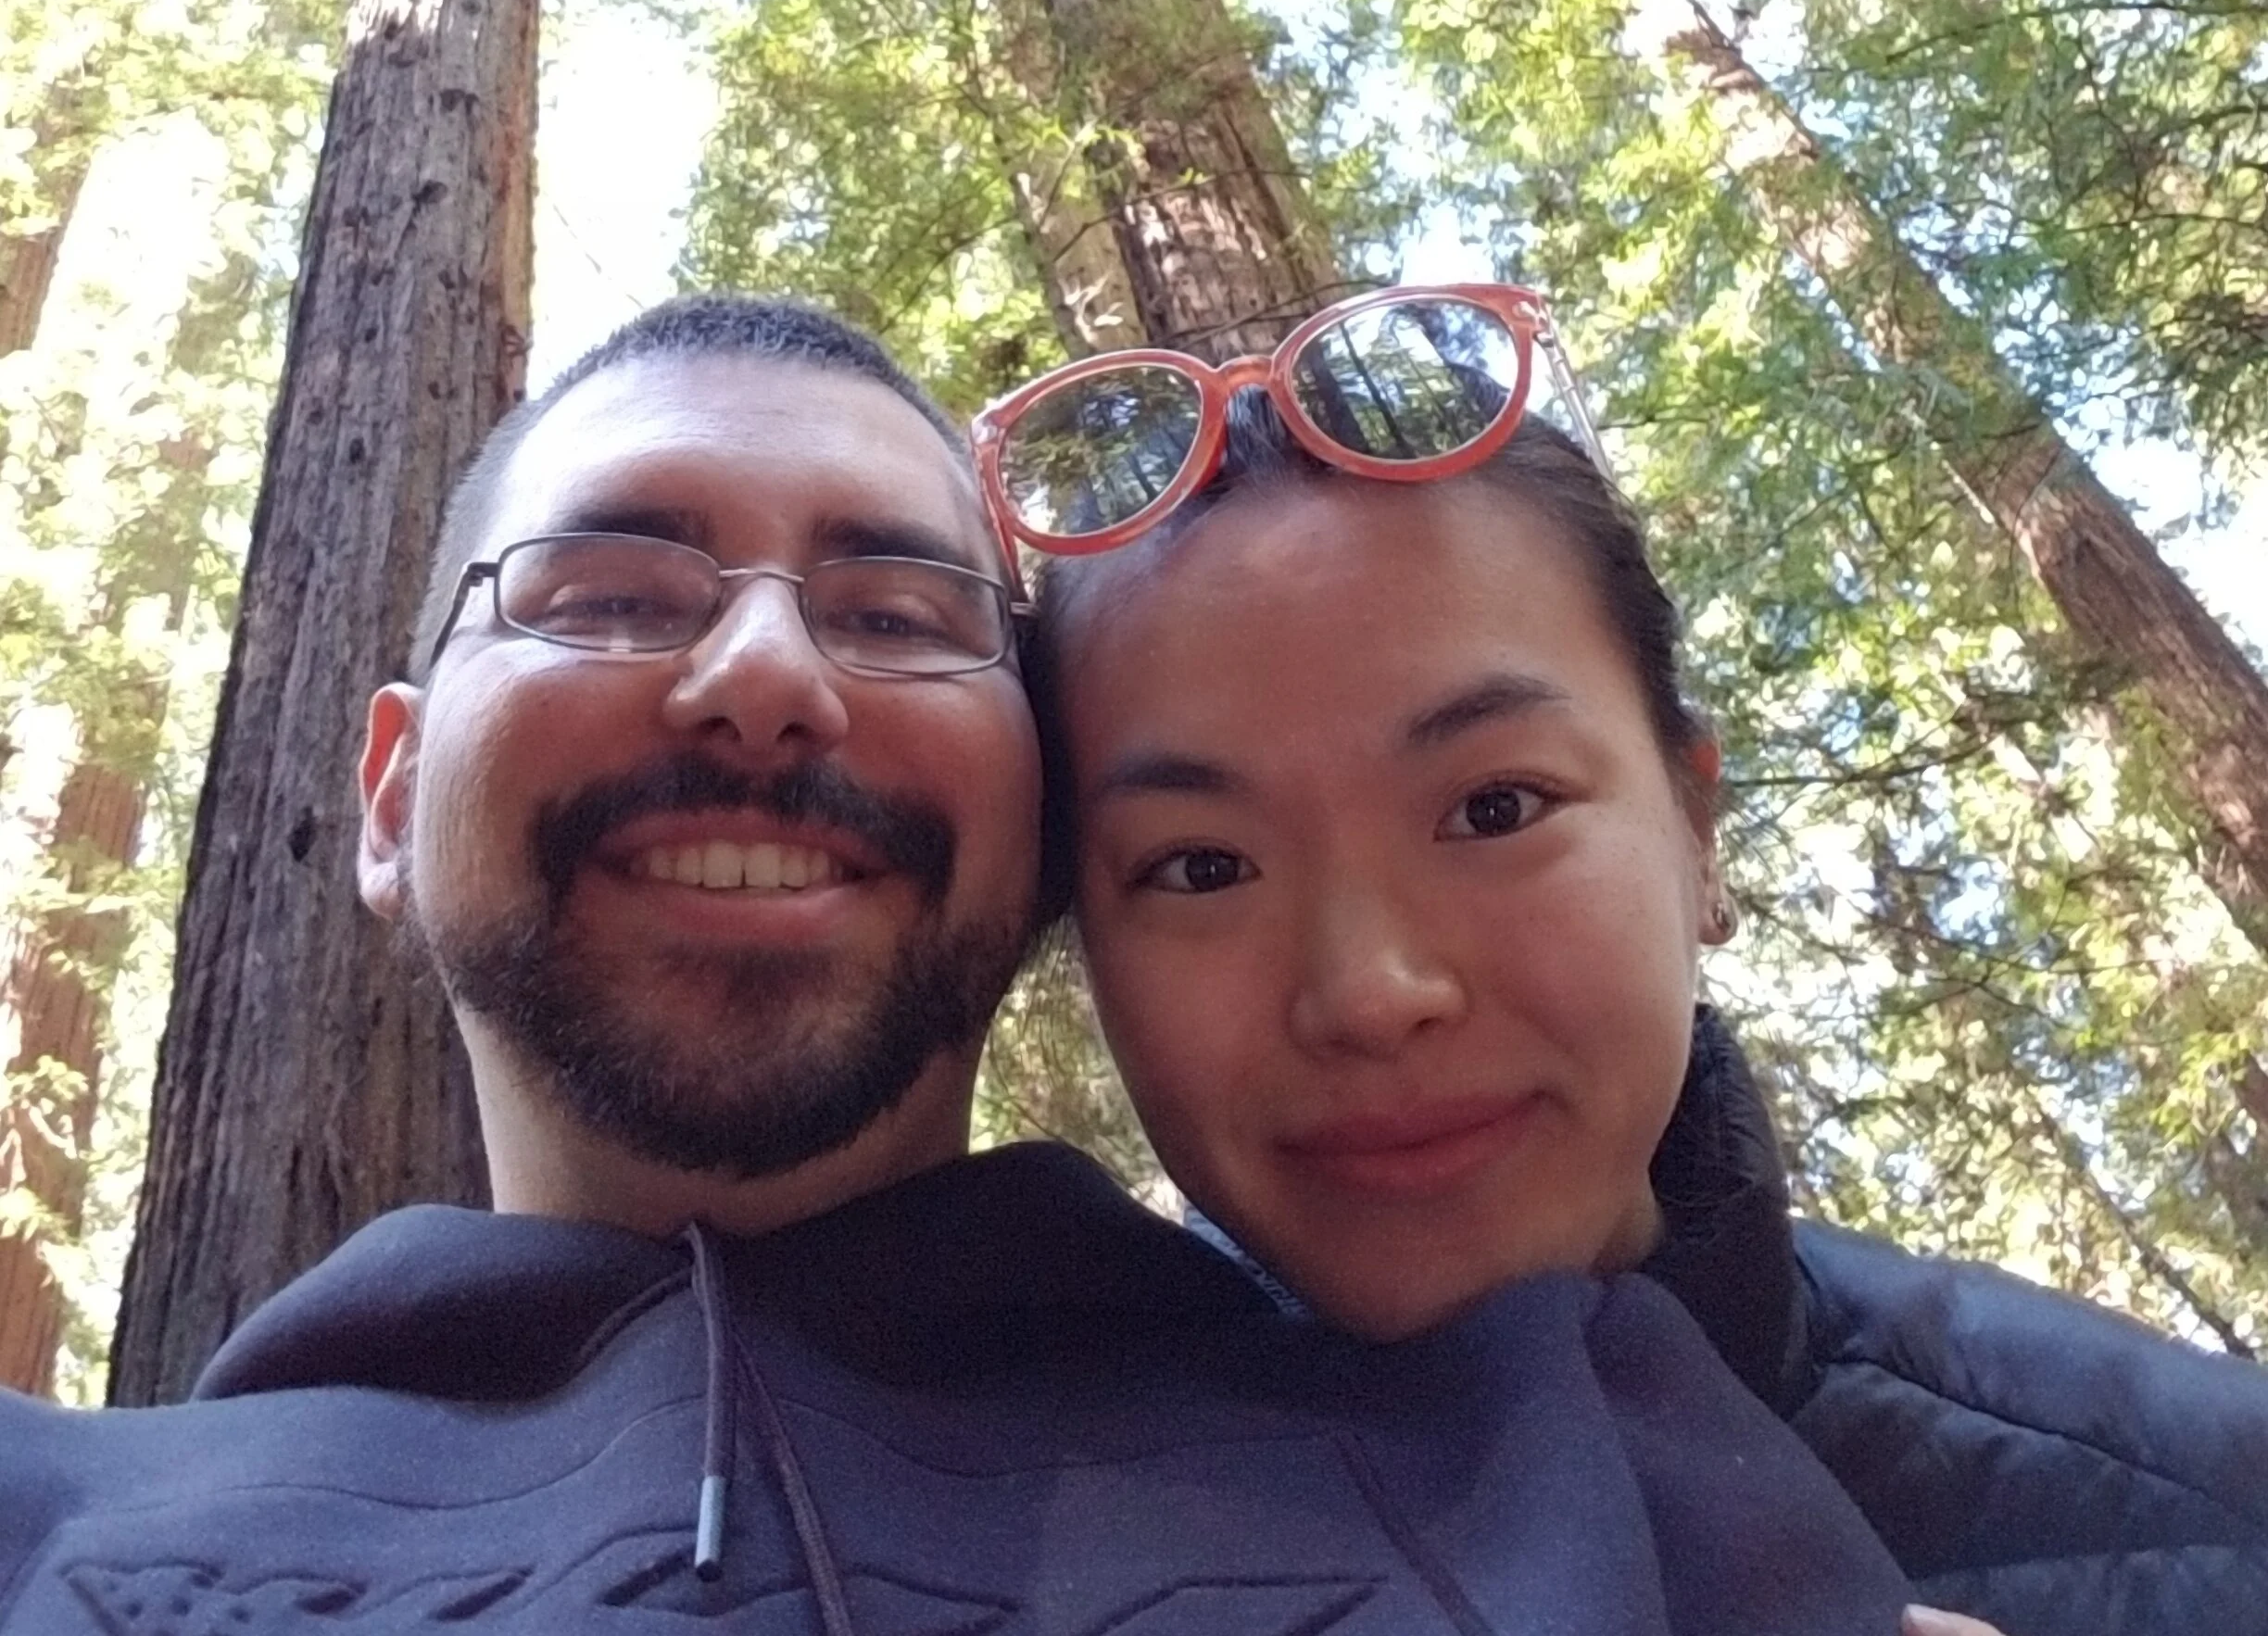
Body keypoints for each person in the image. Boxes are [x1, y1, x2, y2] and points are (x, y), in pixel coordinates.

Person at [0, 291, 1915, 1636]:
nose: (761, 675)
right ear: (393, 793)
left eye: (899, 612)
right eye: (609, 594)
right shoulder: (44, 1530)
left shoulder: (1571, 1447)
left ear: (1036, 808)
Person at [983, 283, 2268, 1636]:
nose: (1370, 994)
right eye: (1202, 867)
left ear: (1697, 831)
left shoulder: (2208, 1511)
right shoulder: (941, 1544)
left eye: (1495, 808)